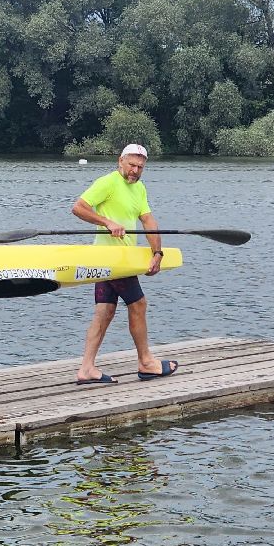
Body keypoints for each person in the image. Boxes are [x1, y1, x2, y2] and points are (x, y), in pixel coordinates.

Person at [71, 143, 179, 385]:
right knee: (138, 304)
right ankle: (146, 362)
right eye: (131, 165)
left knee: (105, 311)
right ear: (120, 161)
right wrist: (107, 222)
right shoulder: (107, 183)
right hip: (110, 259)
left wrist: (157, 253)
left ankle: (86, 368)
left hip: (119, 260)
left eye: (140, 167)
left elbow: (148, 221)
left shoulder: (139, 188)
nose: (135, 170)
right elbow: (78, 208)